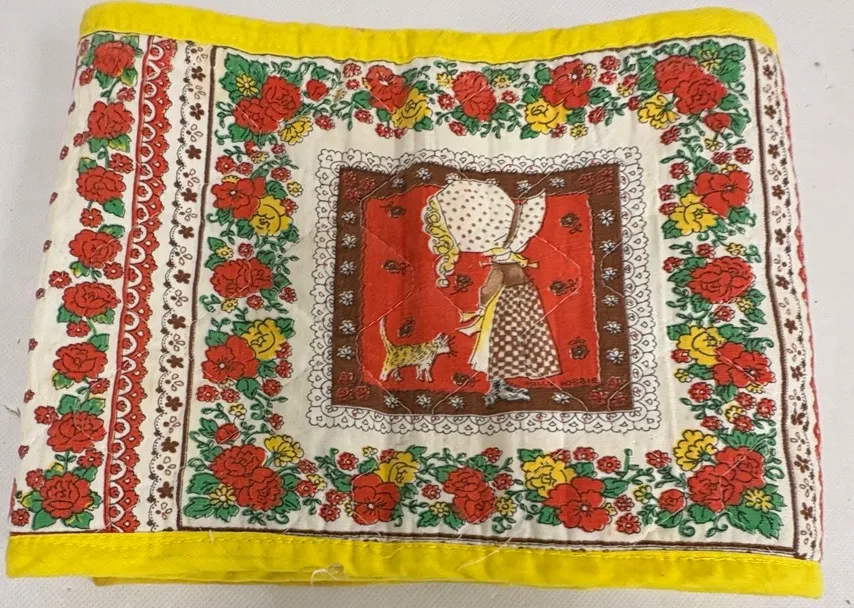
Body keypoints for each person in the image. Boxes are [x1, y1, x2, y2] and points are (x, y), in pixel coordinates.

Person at [423, 178, 561, 406]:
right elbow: (490, 286)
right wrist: (482, 306)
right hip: (506, 308)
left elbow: (491, 287)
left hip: (514, 304)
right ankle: (497, 385)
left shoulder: (505, 260)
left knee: (511, 345)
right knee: (502, 345)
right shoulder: (503, 264)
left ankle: (501, 384)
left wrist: (484, 304)